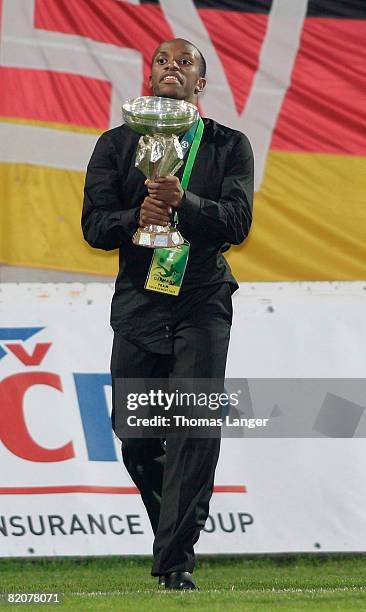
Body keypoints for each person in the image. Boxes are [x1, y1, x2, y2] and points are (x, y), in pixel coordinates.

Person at [82, 38, 254, 590]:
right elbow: (94, 227)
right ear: (149, 76)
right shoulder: (114, 144)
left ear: (200, 84)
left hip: (202, 302)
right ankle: (171, 532)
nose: (172, 67)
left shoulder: (229, 145)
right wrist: (142, 213)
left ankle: (175, 561)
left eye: (186, 63)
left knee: (194, 428)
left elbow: (237, 223)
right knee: (135, 436)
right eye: (163, 61)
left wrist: (185, 202)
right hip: (138, 303)